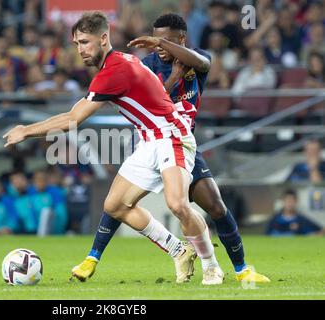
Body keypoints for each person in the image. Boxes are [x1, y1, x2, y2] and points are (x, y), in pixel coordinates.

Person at [3, 11, 224, 285]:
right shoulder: (121, 62)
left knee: (178, 204)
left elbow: (72, 119)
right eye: (77, 44)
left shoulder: (115, 70)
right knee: (115, 205)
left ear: (104, 38)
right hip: (149, 139)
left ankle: (211, 266)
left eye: (85, 42)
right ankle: (178, 250)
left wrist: (26, 131)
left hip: (172, 135)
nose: (80, 50)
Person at [71, 13, 269, 284]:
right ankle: (94, 256)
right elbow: (153, 100)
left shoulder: (196, 58)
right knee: (118, 201)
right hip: (152, 139)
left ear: (182, 40)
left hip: (181, 140)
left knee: (216, 207)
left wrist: (169, 53)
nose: (159, 47)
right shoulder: (147, 64)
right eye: (156, 41)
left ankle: (241, 269)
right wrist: (174, 75)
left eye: (166, 42)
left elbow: (200, 62)